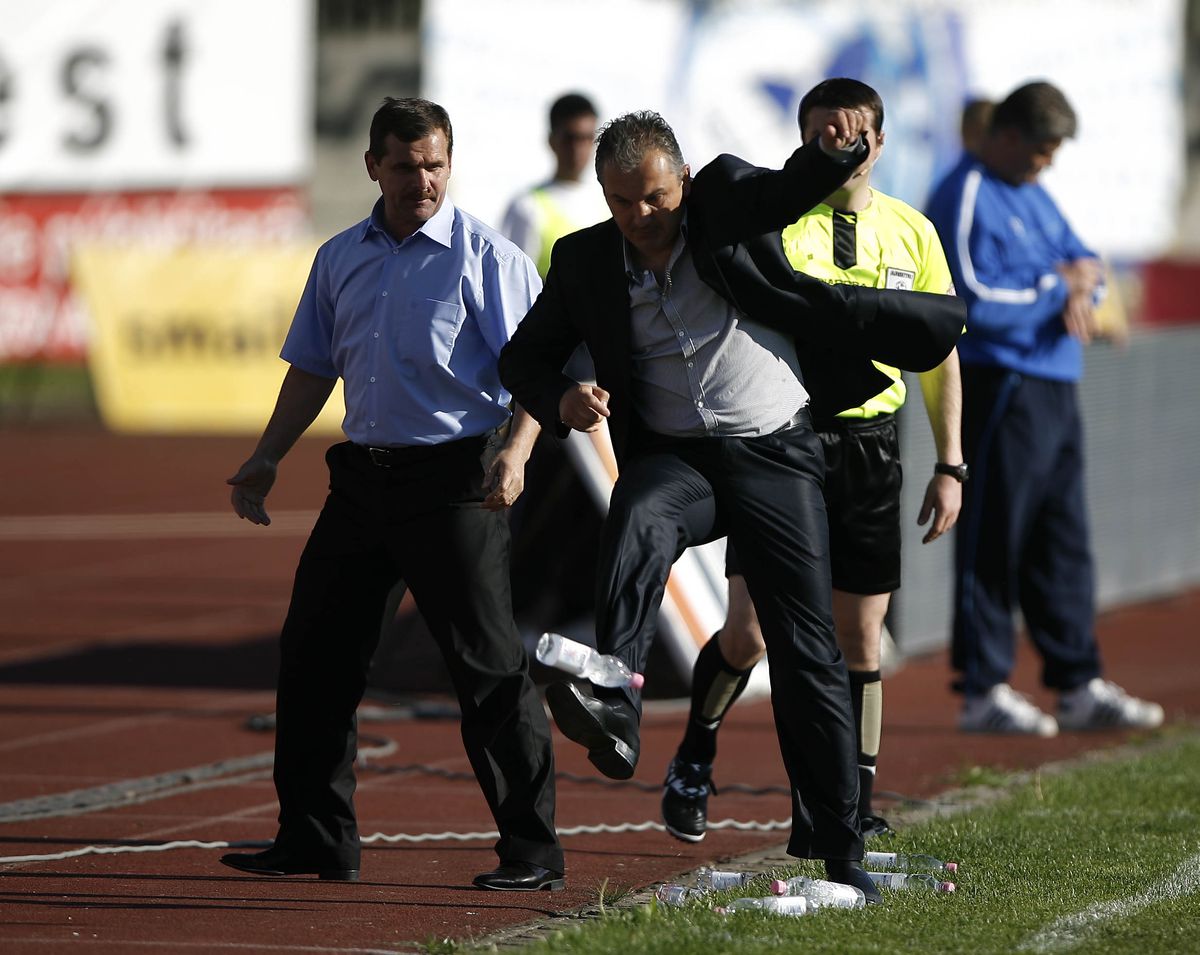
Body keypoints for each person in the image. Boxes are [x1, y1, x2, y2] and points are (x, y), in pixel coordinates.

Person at [499, 109, 965, 902]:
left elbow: (794, 186)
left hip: (776, 451)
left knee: (807, 650)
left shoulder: (721, 200)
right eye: (619, 202)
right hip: (679, 459)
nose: (638, 218)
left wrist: (835, 151)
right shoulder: (583, 261)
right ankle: (615, 689)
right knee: (637, 512)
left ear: (680, 180)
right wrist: (564, 395)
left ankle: (840, 846)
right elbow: (522, 356)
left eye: (652, 198)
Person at [219, 97, 565, 892]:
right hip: (362, 481)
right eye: (406, 166)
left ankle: (534, 852)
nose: (423, 180)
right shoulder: (340, 256)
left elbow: (538, 376)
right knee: (313, 655)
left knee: (487, 670)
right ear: (372, 166)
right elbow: (312, 364)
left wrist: (514, 455)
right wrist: (267, 455)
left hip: (458, 485)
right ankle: (315, 838)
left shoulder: (486, 257)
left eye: (436, 164)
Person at [659, 78, 964, 845]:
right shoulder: (776, 222)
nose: (843, 149)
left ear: (882, 142)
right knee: (750, 634)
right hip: (781, 443)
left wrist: (951, 463)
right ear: (801, 146)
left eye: (856, 135)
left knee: (863, 636)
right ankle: (696, 751)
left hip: (872, 447)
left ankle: (853, 798)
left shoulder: (914, 232)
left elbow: (939, 357)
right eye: (824, 136)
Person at [926, 81, 1163, 736]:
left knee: (1063, 538)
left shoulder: (1034, 192)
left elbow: (1090, 262)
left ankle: (1077, 680)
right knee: (995, 536)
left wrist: (1079, 285)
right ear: (1005, 136)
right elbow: (968, 298)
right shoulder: (966, 191)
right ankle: (982, 689)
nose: (1046, 166)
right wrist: (1054, 288)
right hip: (1005, 383)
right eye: (1039, 152)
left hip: (1056, 381)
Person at [500, 92, 611, 279]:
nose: (578, 149)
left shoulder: (610, 200)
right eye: (570, 138)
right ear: (552, 140)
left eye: (586, 138)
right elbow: (515, 284)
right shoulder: (526, 206)